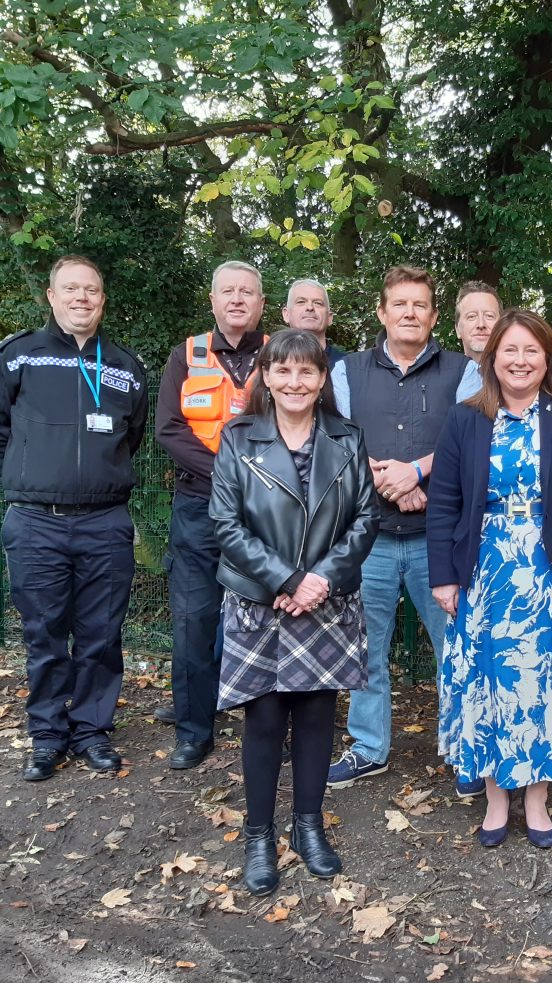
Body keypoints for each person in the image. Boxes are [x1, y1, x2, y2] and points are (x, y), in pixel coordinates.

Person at [427, 309, 552, 847]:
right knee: (491, 682)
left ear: (547, 359)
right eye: (510, 350)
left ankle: (536, 800)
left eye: (531, 351)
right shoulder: (465, 418)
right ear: (493, 358)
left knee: (545, 685)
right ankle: (494, 799)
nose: (520, 360)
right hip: (487, 572)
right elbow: (443, 501)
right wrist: (445, 576)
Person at [209, 329, 378, 895]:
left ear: (323, 378)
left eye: (306, 372)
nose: (294, 382)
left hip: (326, 601)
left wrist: (319, 581)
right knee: (263, 720)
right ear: (266, 375)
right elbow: (226, 525)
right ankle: (260, 835)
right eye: (282, 371)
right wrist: (286, 579)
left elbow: (364, 520)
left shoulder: (349, 439)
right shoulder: (238, 439)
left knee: (314, 717)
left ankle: (309, 826)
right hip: (263, 599)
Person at [328, 266, 480, 792]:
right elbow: (337, 445)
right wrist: (391, 483)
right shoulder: (346, 371)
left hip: (438, 542)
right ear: (382, 312)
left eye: (419, 305)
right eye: (400, 304)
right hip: (368, 538)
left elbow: (473, 444)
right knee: (365, 650)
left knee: (455, 648)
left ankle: (464, 749)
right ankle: (370, 748)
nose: (410, 313)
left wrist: (417, 473)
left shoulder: (463, 372)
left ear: (435, 316)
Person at [1, 254, 147, 781]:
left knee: (101, 634)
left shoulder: (126, 367)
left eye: (91, 290)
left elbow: (131, 436)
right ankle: (46, 734)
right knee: (43, 633)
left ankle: (91, 730)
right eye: (71, 289)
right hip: (35, 519)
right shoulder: (19, 357)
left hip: (104, 521)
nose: (82, 298)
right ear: (51, 295)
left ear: (102, 300)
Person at [155, 259, 266, 768]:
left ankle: (269, 729)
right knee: (195, 621)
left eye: (248, 292)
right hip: (199, 506)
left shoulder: (279, 353)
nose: (238, 299)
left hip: (265, 509)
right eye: (229, 291)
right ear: (214, 301)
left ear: (262, 304)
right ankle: (194, 731)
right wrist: (229, 468)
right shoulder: (187, 354)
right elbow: (170, 429)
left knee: (269, 619)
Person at [453, 280, 501, 399]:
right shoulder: (442, 379)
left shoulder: (521, 374)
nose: (481, 324)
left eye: (489, 316)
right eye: (471, 316)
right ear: (458, 329)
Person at [282, 278, 343, 369]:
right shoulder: (270, 361)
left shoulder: (347, 365)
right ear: (286, 314)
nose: (310, 307)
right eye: (301, 302)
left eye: (318, 303)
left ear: (330, 317)